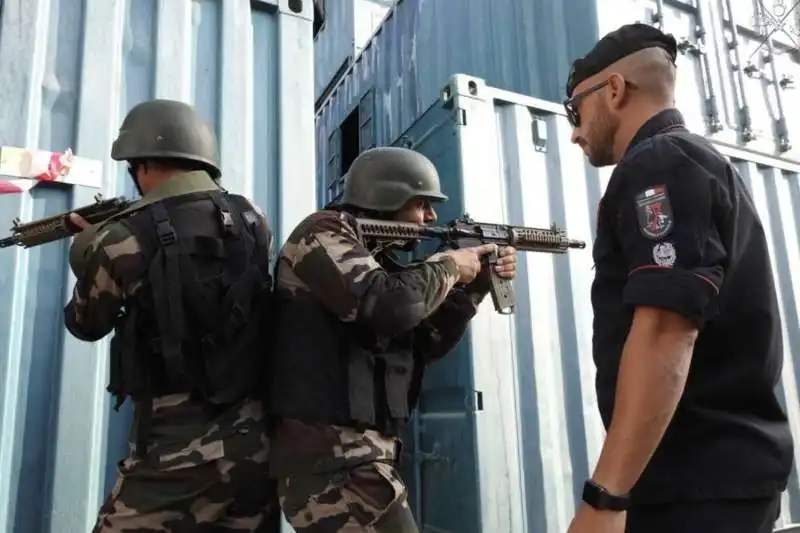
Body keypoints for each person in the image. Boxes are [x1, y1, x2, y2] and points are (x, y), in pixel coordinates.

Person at [562, 23, 794, 533]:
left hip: (697, 490)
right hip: (711, 482)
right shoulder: (697, 161)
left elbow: (668, 329)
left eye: (574, 111)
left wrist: (605, 497)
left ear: (615, 90)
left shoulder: (660, 162)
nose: (575, 131)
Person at [265, 146, 518, 532]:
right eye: (421, 205)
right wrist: (450, 266)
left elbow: (425, 342)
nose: (431, 217)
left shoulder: (378, 262)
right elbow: (388, 306)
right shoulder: (322, 233)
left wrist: (472, 291)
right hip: (334, 460)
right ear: (386, 197)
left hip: (356, 459)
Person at [64, 99, 282, 532]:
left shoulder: (122, 238)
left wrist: (87, 251)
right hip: (255, 447)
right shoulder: (253, 219)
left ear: (142, 166)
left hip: (174, 456)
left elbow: (86, 323)